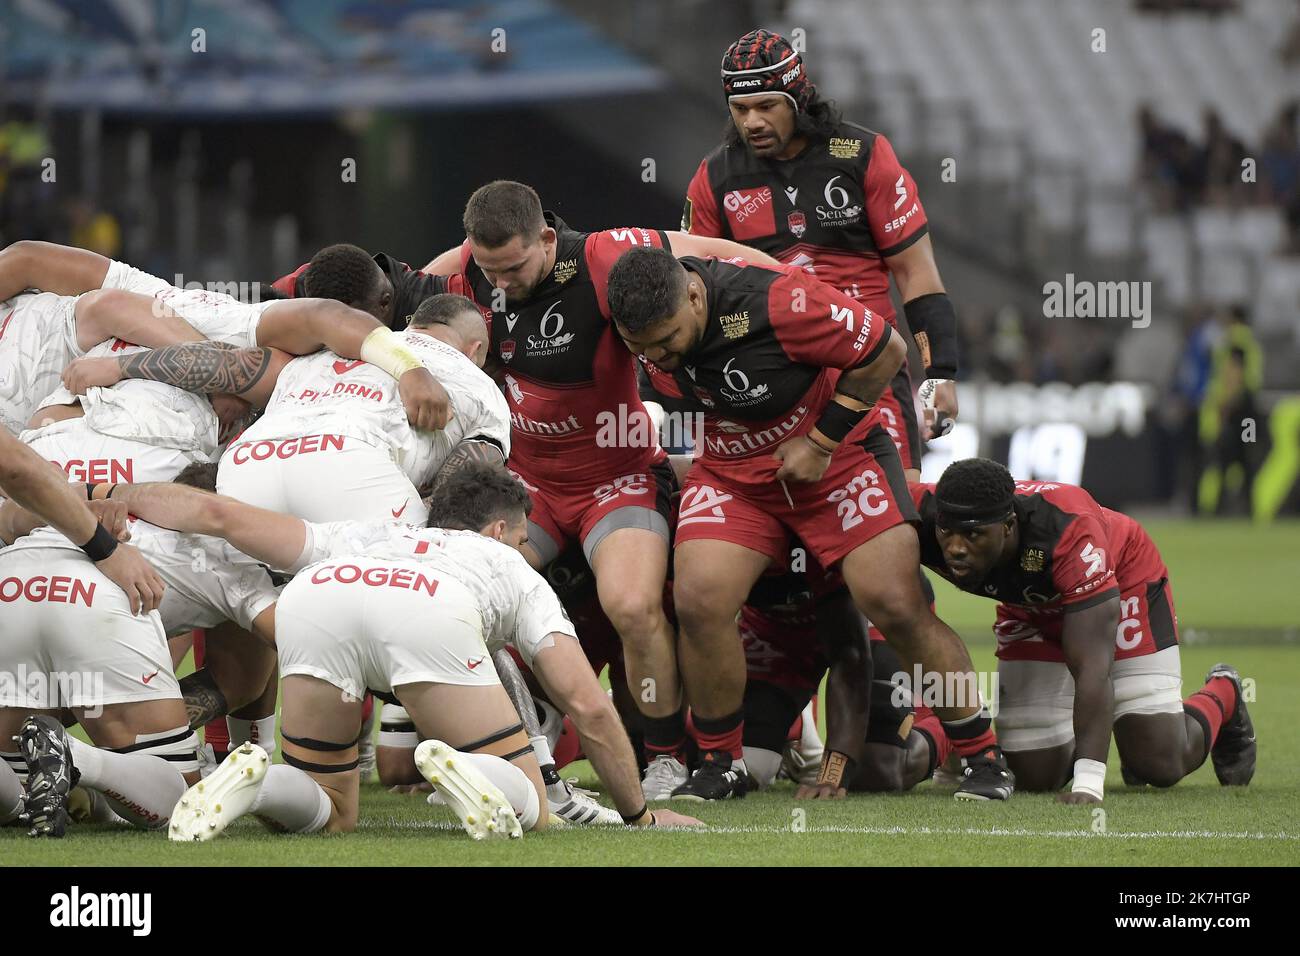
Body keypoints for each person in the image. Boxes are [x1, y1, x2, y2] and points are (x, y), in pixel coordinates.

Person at [98, 463, 703, 837]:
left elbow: (217, 513)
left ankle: (252, 783)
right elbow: (588, 706)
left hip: (319, 598)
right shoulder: (507, 567)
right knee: (535, 807)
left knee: (333, 810)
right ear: (498, 532)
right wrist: (640, 816)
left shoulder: (370, 531)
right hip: (429, 611)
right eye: (523, 538)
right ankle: (476, 769)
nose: (526, 550)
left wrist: (103, 493)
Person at [607, 245, 1013, 801]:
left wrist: (821, 442)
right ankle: (719, 763)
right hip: (732, 467)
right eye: (641, 347)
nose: (658, 354)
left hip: (837, 456)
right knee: (699, 600)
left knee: (894, 602)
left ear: (696, 296)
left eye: (666, 339)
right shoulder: (633, 319)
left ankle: (982, 757)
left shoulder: (780, 301)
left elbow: (887, 351)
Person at [422, 180, 782, 796]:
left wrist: (799, 292)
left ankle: (665, 759)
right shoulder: (459, 271)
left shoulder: (605, 255)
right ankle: (508, 750)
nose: (501, 283)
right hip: (524, 486)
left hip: (618, 478)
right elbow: (387, 315)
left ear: (545, 236)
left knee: (634, 606)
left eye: (514, 267)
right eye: (489, 270)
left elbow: (722, 253)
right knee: (459, 600)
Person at [683, 29, 962, 479]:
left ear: (797, 99)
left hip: (870, 359)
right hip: (770, 374)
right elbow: (691, 290)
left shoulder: (864, 154)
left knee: (902, 510)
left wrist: (940, 373)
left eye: (767, 106)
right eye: (740, 109)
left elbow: (916, 273)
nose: (752, 121)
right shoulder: (715, 176)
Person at [913, 458, 1255, 801]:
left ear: (1008, 526)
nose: (956, 547)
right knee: (1034, 773)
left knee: (1159, 761)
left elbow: (1093, 665)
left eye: (973, 534)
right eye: (947, 532)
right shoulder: (920, 514)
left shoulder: (1068, 529)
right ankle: (1107, 732)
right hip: (1030, 607)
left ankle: (1223, 693)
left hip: (1120, 584)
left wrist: (1089, 781)